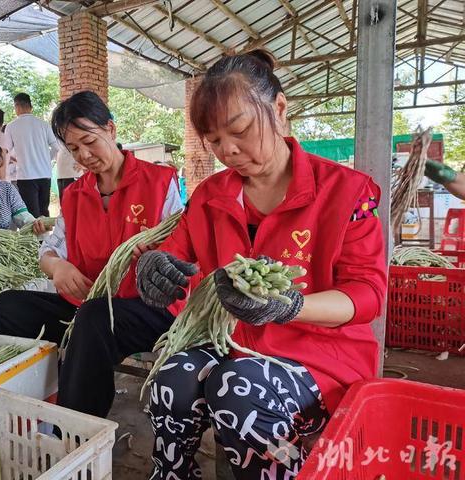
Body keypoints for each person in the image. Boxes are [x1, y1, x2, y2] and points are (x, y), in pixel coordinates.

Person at [135, 51, 387, 479]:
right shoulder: (209, 195)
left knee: (237, 388)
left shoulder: (346, 192)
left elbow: (366, 294)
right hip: (233, 345)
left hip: (320, 359)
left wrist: (291, 307)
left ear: (280, 109)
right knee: (170, 379)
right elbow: (176, 253)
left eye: (239, 130)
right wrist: (155, 269)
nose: (228, 150)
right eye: (213, 140)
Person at [0, 91, 184, 418]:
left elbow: (181, 254)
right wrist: (58, 267)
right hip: (86, 307)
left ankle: (73, 428)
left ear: (110, 129)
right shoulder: (74, 195)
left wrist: (157, 260)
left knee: (94, 316)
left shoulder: (159, 182)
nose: (84, 155)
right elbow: (50, 250)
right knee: (9, 306)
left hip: (148, 310)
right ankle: (48, 394)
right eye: (74, 148)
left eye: (89, 141)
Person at [4, 93, 60, 217]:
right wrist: (47, 159)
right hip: (45, 174)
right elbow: (56, 147)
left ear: (16, 107)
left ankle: (34, 237)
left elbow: (6, 151)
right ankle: (45, 237)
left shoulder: (11, 126)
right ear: (31, 107)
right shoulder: (44, 125)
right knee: (44, 212)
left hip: (25, 176)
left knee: (31, 214)